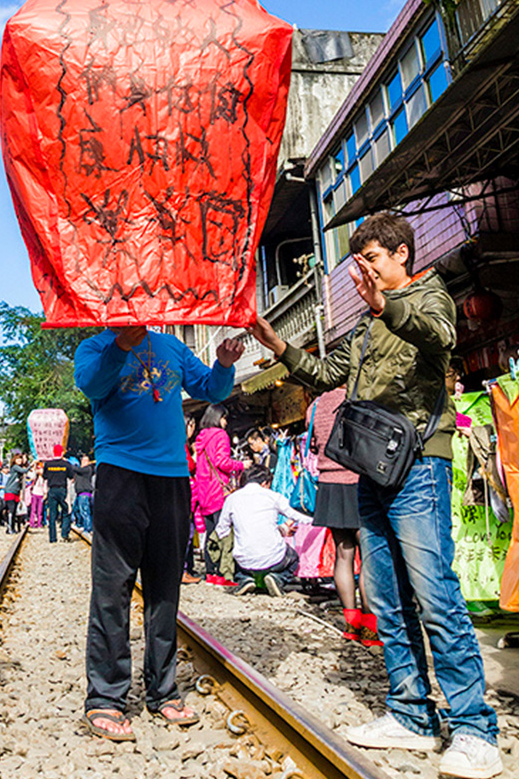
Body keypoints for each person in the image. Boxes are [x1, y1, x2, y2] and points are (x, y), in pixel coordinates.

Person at [249, 212, 500, 779]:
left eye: (372, 259)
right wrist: (278, 344)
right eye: (359, 260)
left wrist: (387, 306)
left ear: (401, 255)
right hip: (370, 469)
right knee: (386, 597)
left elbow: (440, 336)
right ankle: (411, 715)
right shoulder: (365, 325)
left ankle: (474, 729)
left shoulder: (429, 297)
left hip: (417, 466)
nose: (363, 270)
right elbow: (326, 371)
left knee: (436, 595)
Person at [75, 326, 243, 741]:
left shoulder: (171, 345)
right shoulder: (93, 347)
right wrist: (121, 345)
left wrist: (224, 363)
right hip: (119, 473)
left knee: (165, 589)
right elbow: (91, 384)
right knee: (112, 589)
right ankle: (105, 698)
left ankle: (162, 690)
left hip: (172, 477)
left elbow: (210, 388)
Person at [307, 388, 379, 646]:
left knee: (343, 553)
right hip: (358, 482)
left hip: (329, 484)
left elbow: (313, 445)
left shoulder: (314, 406)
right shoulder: (357, 395)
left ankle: (351, 626)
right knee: (369, 555)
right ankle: (371, 630)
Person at [214, 465, 312, 596]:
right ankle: (278, 578)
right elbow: (297, 515)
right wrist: (317, 519)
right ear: (265, 483)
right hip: (274, 559)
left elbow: (221, 530)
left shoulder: (232, 499)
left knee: (237, 549)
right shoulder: (273, 496)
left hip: (243, 561)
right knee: (293, 557)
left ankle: (244, 579)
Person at [193, 404, 246, 586]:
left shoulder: (201, 438)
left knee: (210, 533)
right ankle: (224, 574)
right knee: (224, 533)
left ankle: (210, 573)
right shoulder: (220, 435)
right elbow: (221, 461)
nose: (225, 422)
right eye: (224, 418)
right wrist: (241, 465)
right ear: (218, 418)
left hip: (204, 491)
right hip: (218, 491)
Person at [181, 414, 200, 585]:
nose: (192, 430)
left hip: (183, 494)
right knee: (185, 532)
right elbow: (188, 466)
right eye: (191, 426)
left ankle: (184, 568)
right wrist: (195, 455)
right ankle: (182, 570)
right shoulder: (181, 444)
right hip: (185, 494)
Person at [43, 445, 75, 543]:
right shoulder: (66, 464)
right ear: (62, 453)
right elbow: (71, 477)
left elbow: (45, 477)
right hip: (62, 490)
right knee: (66, 511)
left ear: (53, 452)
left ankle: (53, 538)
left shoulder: (48, 464)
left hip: (52, 490)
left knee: (52, 514)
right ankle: (64, 534)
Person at [3, 453, 27, 534]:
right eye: (18, 459)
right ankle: (10, 528)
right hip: (10, 491)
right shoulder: (15, 467)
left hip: (16, 492)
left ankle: (12, 528)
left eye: (20, 459)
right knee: (11, 510)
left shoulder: (18, 469)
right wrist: (33, 464)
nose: (19, 460)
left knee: (15, 512)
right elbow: (25, 471)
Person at [73, 454, 95, 533]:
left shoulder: (87, 469)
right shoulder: (81, 470)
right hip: (79, 494)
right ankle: (80, 524)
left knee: (85, 512)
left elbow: (76, 469)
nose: (83, 462)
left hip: (85, 494)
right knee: (75, 510)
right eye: (82, 460)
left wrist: (68, 463)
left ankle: (88, 528)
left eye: (85, 461)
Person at [29, 462, 46, 528]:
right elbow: (32, 474)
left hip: (41, 495)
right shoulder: (35, 477)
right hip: (34, 494)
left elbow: (45, 487)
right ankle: (32, 523)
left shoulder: (44, 479)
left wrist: (45, 494)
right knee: (33, 510)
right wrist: (34, 465)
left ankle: (39, 523)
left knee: (40, 510)